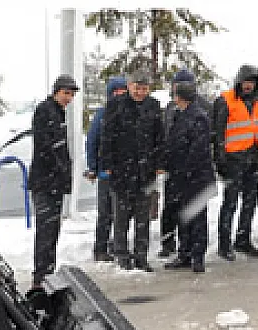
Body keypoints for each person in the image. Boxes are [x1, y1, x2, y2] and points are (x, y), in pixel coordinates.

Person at [101, 70, 166, 272]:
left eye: (144, 88)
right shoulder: (116, 105)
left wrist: (159, 163)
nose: (140, 92)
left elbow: (159, 137)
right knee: (121, 217)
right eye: (137, 87)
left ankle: (141, 256)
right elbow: (107, 136)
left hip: (145, 171)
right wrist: (107, 164)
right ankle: (121, 255)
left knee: (142, 218)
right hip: (121, 169)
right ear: (129, 86)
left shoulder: (153, 106)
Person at [212, 64, 258, 260]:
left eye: (251, 82)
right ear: (238, 81)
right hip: (233, 161)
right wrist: (220, 160)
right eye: (245, 82)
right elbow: (217, 133)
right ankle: (224, 244)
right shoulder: (225, 100)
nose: (248, 86)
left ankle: (243, 240)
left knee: (249, 204)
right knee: (230, 204)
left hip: (253, 160)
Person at [28, 74, 78, 285]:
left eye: (71, 94)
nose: (69, 98)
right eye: (66, 93)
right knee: (46, 230)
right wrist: (59, 169)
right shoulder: (45, 111)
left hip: (54, 182)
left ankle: (48, 269)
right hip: (45, 182)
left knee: (52, 230)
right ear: (56, 91)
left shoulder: (58, 113)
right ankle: (41, 274)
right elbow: (47, 147)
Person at [163, 81, 216, 273]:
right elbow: (173, 144)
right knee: (183, 216)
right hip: (181, 176)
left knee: (197, 216)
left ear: (179, 96)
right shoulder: (180, 114)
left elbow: (198, 150)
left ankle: (197, 256)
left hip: (196, 177)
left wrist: (183, 169)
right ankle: (184, 253)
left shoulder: (198, 117)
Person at [84, 76, 128, 262]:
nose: (120, 96)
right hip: (106, 172)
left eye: (123, 92)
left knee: (122, 213)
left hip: (124, 173)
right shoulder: (102, 115)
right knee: (106, 213)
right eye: (117, 92)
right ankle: (100, 248)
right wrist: (93, 167)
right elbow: (92, 142)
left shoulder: (129, 113)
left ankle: (116, 245)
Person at [160, 68, 202, 258]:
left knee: (190, 210)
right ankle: (168, 242)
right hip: (172, 167)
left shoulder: (201, 109)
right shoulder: (169, 108)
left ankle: (190, 248)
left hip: (191, 169)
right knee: (170, 207)